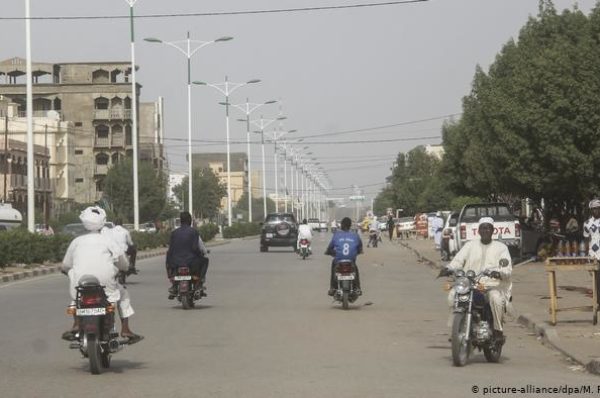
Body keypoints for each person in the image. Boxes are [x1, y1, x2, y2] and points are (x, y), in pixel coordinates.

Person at [61, 206, 143, 344]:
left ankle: (75, 324)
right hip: (106, 285)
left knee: (77, 299)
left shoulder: (76, 242)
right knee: (123, 294)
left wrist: (69, 271)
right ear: (103, 222)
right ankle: (126, 328)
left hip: (80, 284)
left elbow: (65, 266)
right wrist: (124, 268)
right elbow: (123, 264)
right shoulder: (108, 241)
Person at [438, 217, 512, 343]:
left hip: (491, 285)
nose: (486, 231)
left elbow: (507, 268)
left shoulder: (501, 247)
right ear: (478, 231)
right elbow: (458, 260)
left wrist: (499, 273)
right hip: (471, 284)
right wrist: (449, 268)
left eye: (488, 228)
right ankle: (455, 330)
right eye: (483, 228)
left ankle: (498, 330)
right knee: (453, 295)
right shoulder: (470, 245)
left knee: (496, 299)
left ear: (493, 230)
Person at [165, 211, 209, 297]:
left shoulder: (174, 233)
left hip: (175, 263)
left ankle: (173, 284)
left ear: (180, 221)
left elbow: (171, 249)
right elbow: (197, 247)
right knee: (205, 261)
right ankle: (198, 283)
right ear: (190, 221)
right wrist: (202, 253)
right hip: (191, 262)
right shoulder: (194, 232)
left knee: (168, 258)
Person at [325, 217, 363, 296]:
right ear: (350, 225)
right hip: (351, 260)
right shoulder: (355, 235)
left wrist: (328, 252)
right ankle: (358, 288)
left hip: (338, 260)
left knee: (333, 269)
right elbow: (360, 247)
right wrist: (358, 252)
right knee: (355, 270)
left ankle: (332, 287)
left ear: (342, 225)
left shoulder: (336, 235)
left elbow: (330, 248)